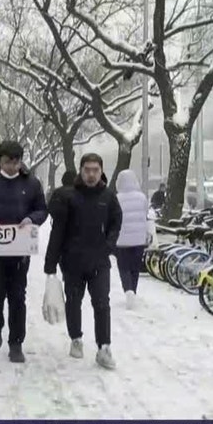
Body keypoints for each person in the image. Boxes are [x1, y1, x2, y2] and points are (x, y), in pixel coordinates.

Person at [0, 140, 48, 363]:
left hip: (19, 250)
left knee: (17, 296)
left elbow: (42, 210)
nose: (12, 167)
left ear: (21, 161)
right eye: (7, 162)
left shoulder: (31, 183)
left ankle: (16, 343)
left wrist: (31, 219)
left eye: (16, 162)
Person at [44, 153, 122, 370]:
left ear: (101, 171)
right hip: (73, 261)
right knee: (73, 301)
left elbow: (116, 221)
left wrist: (109, 244)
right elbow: (58, 231)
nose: (91, 174)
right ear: (80, 170)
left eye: (95, 170)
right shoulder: (69, 196)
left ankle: (104, 347)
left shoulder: (108, 196)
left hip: (99, 261)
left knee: (102, 303)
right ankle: (76, 338)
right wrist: (50, 264)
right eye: (87, 170)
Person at [114, 170, 149, 309]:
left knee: (124, 267)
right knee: (135, 267)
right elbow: (146, 215)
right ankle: (133, 290)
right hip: (139, 239)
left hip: (121, 240)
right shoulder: (142, 197)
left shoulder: (116, 198)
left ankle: (128, 290)